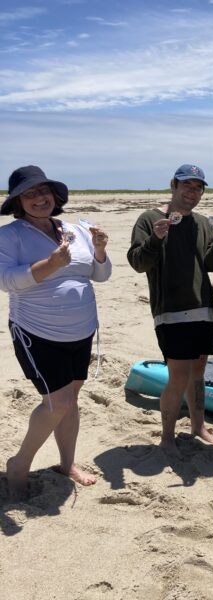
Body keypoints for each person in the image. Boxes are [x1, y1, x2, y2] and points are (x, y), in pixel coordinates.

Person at [0, 165, 111, 500]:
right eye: (29, 194)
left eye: (43, 191)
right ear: (18, 201)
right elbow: (6, 281)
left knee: (70, 400)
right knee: (57, 402)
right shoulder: (10, 235)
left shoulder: (75, 229)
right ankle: (19, 464)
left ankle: (66, 464)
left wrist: (100, 251)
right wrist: (50, 265)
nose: (39, 198)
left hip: (81, 331)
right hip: (37, 331)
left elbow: (100, 274)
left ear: (55, 196)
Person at [127, 164, 213, 454]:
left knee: (198, 374)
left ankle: (198, 426)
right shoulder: (149, 219)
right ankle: (167, 436)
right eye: (187, 185)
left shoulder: (201, 222)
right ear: (173, 185)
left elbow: (209, 263)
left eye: (198, 188)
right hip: (171, 312)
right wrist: (155, 239)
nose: (192, 192)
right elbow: (137, 262)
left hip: (203, 310)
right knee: (178, 376)